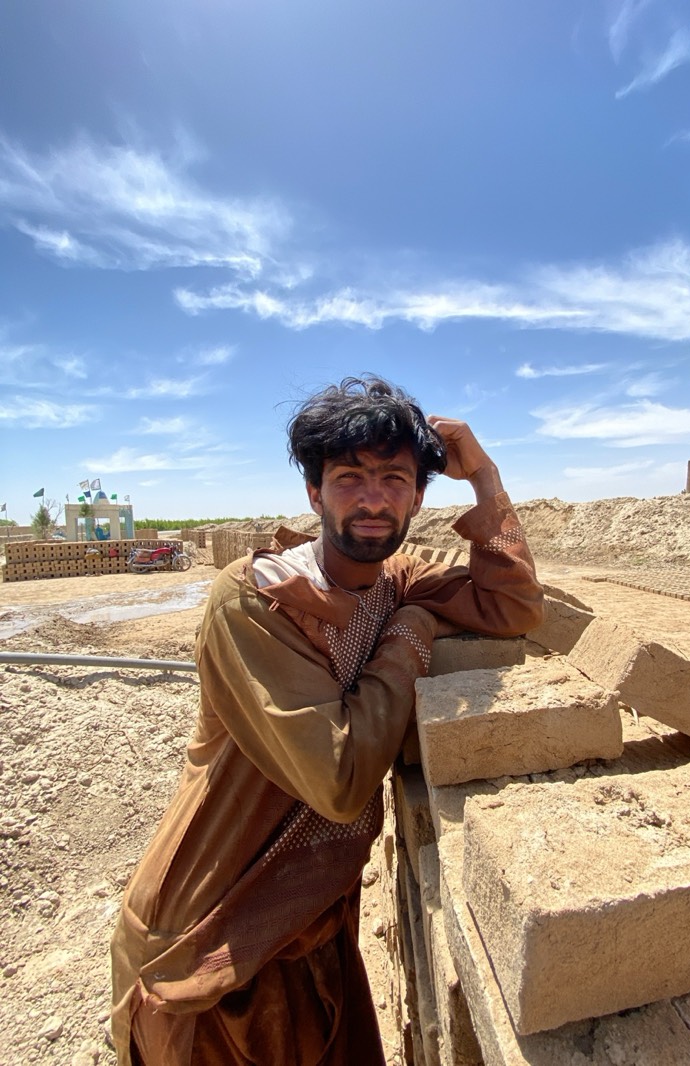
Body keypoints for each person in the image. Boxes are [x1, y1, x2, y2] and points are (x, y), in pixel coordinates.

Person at [111, 376, 544, 1065]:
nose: (373, 499)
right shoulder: (258, 601)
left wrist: (486, 479)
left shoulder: (394, 576)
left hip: (310, 911)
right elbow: (338, 780)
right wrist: (410, 633)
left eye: (394, 479)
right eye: (349, 478)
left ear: (418, 497)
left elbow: (515, 607)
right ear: (315, 493)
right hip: (214, 935)